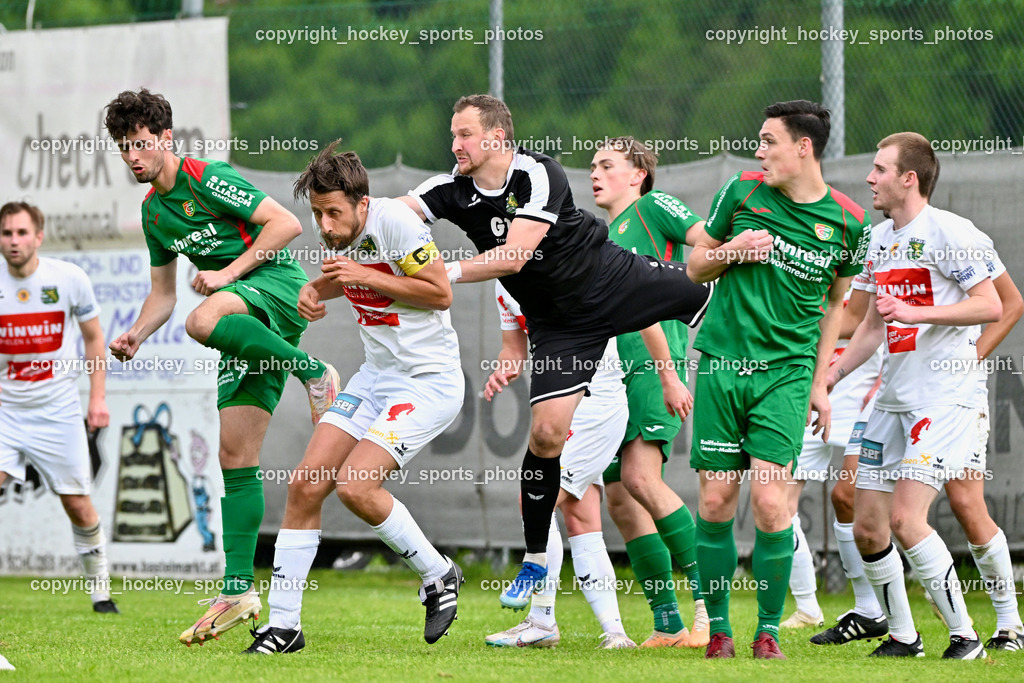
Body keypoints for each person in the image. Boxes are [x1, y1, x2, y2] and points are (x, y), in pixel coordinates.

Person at [400, 95, 713, 609]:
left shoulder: (544, 175)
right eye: (452, 134)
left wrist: (670, 371)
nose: (454, 144)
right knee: (560, 451)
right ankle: (545, 571)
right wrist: (357, 233)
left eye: (464, 134)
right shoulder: (449, 193)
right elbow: (396, 217)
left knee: (712, 298)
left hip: (615, 302)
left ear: (497, 137)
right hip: (563, 332)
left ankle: (702, 603)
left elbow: (518, 255)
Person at [103, 88, 340, 646]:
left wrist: (229, 274)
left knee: (201, 321)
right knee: (235, 454)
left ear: (164, 140)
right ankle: (238, 589)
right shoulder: (153, 213)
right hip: (246, 318)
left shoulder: (206, 175)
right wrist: (135, 334)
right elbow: (162, 295)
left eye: (140, 144)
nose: (133, 156)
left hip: (274, 286)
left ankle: (313, 370)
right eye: (123, 147)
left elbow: (285, 224)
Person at [246, 141, 464, 653]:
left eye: (333, 212)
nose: (324, 224)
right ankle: (284, 626)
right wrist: (314, 290)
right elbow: (350, 279)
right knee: (304, 486)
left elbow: (439, 293)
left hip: (428, 381)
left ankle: (438, 574)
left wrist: (361, 275)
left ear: (362, 204)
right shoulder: (340, 232)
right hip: (374, 377)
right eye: (318, 212)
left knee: (356, 488)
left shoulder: (396, 224)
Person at [686, 100, 871, 660]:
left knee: (771, 504)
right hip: (722, 364)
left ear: (803, 148)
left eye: (769, 141)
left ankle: (767, 631)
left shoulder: (849, 221)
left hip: (786, 375)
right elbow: (695, 266)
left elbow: (837, 305)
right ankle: (718, 631)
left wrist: (820, 383)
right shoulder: (740, 191)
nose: (759, 152)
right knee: (717, 499)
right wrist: (731, 252)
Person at [827, 131, 1001, 659]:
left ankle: (966, 636)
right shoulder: (878, 240)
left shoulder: (952, 231)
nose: (869, 178)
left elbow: (991, 305)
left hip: (943, 398)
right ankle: (904, 636)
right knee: (866, 521)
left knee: (908, 518)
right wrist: (830, 378)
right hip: (893, 399)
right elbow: (871, 327)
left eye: (879, 169)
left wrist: (918, 312)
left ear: (909, 178)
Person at [588, 137, 708, 648]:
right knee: (618, 495)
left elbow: (706, 240)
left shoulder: (653, 206)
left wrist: (668, 372)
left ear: (638, 173)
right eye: (592, 164)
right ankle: (667, 623)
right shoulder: (601, 235)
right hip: (612, 376)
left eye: (607, 165)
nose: (595, 172)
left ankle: (712, 613)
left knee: (641, 476)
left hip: (651, 369)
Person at [483, 281, 634, 649]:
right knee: (581, 515)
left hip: (597, 402)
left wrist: (668, 374)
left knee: (536, 499)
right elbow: (513, 348)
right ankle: (615, 632)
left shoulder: (572, 258)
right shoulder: (503, 282)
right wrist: (504, 370)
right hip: (562, 405)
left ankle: (541, 620)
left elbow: (641, 313)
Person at [0, 201, 116, 614]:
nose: (14, 241)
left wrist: (97, 398)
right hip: (5, 412)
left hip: (57, 410)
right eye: (7, 233)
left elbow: (93, 338)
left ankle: (101, 592)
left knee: (77, 502)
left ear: (38, 237)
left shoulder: (68, 279)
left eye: (21, 233)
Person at [783, 288, 883, 631]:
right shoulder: (805, 261)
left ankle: (870, 606)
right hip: (812, 392)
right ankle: (808, 606)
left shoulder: (875, 256)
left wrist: (885, 380)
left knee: (847, 497)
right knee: (779, 506)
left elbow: (870, 322)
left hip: (865, 397)